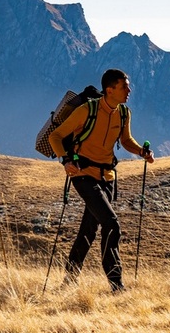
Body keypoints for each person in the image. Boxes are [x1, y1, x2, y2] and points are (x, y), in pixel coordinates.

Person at [48, 69, 154, 292]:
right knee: (111, 224)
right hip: (83, 174)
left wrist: (141, 152)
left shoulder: (123, 113)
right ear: (110, 90)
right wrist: (65, 160)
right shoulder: (87, 110)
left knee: (88, 230)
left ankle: (69, 279)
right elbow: (55, 136)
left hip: (107, 176)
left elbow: (126, 140)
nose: (129, 90)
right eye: (124, 86)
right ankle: (116, 284)